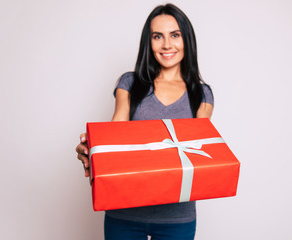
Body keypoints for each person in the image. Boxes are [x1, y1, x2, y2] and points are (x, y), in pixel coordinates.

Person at [76, 3, 214, 240]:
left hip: (177, 218)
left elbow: (199, 154)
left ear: (186, 40)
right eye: (157, 36)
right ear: (148, 43)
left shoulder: (201, 94)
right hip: (124, 214)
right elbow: (116, 133)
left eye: (175, 35)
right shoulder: (129, 83)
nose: (167, 44)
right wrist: (94, 151)